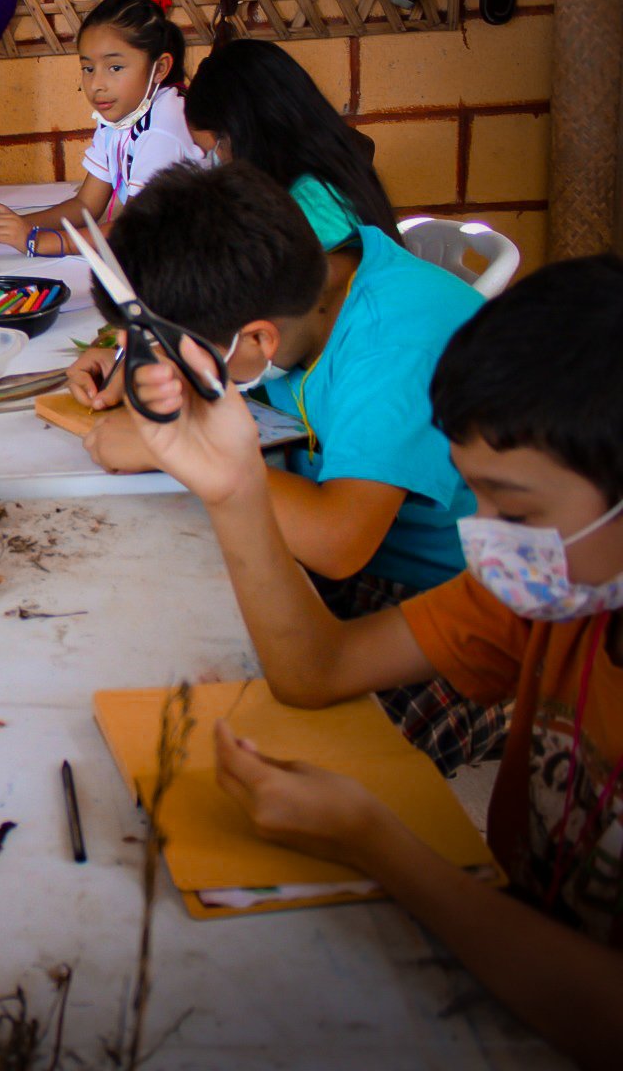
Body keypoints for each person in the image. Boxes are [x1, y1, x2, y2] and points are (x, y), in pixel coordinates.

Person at [116, 256, 623, 1069]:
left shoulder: (559, 581)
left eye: (516, 509)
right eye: (477, 497)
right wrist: (236, 488)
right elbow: (317, 669)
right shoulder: (553, 591)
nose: (485, 536)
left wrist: (377, 844)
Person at [69, 163, 498, 771]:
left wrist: (162, 452)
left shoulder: (392, 346)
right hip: (357, 580)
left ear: (259, 341)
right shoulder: (295, 283)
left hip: (454, 612)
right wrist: (126, 362)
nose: (164, 367)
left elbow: (339, 540)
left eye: (175, 356)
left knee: (285, 760)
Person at [0, 0, 201, 253]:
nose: (96, 85)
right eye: (88, 68)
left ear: (159, 68)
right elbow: (86, 205)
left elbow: (140, 228)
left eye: (115, 68)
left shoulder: (162, 127)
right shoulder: (122, 114)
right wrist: (17, 225)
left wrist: (38, 241)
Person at [184, 38, 403, 250]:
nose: (215, 162)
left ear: (240, 132)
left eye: (212, 150)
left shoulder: (312, 203)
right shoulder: (335, 165)